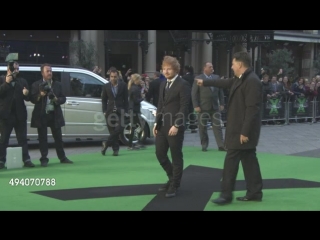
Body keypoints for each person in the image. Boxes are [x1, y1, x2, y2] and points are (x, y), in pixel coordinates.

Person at [196, 51, 263, 204]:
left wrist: (245, 132)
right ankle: (255, 192)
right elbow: (225, 83)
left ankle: (226, 195)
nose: (231, 67)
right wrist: (205, 82)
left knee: (231, 160)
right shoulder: (241, 78)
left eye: (233, 64)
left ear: (240, 64)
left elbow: (252, 109)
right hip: (240, 129)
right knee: (249, 160)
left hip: (242, 130)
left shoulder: (252, 81)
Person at [153, 56, 190, 198]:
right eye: (164, 69)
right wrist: (156, 122)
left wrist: (177, 124)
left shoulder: (183, 84)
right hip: (162, 125)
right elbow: (160, 104)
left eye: (169, 69)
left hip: (175, 126)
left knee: (176, 156)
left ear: (175, 69)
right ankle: (171, 178)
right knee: (160, 153)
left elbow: (184, 107)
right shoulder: (163, 84)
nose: (166, 71)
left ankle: (175, 184)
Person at [30, 63, 73, 167]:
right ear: (42, 73)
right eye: (47, 71)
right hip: (42, 114)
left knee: (58, 137)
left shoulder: (57, 84)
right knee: (42, 138)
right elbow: (32, 99)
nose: (49, 73)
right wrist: (40, 95)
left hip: (54, 114)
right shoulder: (36, 85)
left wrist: (56, 99)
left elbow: (63, 98)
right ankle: (44, 159)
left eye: (50, 71)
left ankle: (62, 157)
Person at [0, 62, 35, 169]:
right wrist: (6, 83)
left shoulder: (22, 81)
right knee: (4, 139)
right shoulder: (1, 79)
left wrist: (26, 93)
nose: (16, 71)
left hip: (20, 115)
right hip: (6, 115)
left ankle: (26, 159)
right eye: (14, 69)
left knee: (22, 139)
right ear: (8, 69)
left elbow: (28, 98)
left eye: (18, 69)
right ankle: (1, 160)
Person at [192, 62, 226, 151]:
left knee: (217, 126)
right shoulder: (198, 78)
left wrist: (222, 103)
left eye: (212, 66)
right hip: (202, 107)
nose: (212, 68)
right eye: (210, 67)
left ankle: (221, 145)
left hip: (215, 107)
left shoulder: (216, 78)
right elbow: (194, 93)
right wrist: (196, 105)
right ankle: (204, 145)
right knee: (202, 127)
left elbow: (220, 92)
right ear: (205, 68)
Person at [101, 69, 129, 156]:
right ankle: (115, 150)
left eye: (115, 77)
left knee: (119, 129)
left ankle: (106, 143)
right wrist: (104, 111)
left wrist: (126, 111)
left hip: (121, 111)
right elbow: (104, 100)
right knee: (112, 131)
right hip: (109, 111)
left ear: (118, 77)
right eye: (111, 77)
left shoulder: (123, 85)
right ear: (109, 77)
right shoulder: (106, 86)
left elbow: (126, 99)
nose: (113, 78)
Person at [127, 73, 146, 150]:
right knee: (141, 125)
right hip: (135, 110)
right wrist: (143, 98)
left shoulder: (132, 87)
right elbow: (136, 100)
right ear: (136, 80)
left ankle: (131, 144)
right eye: (139, 79)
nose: (140, 80)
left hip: (132, 109)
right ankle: (136, 143)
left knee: (134, 126)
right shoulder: (135, 89)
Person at [182, 65, 197, 133]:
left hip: (186, 96)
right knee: (191, 111)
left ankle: (184, 126)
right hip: (193, 96)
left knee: (184, 111)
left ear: (186, 70)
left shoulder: (184, 77)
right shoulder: (194, 77)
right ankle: (193, 126)